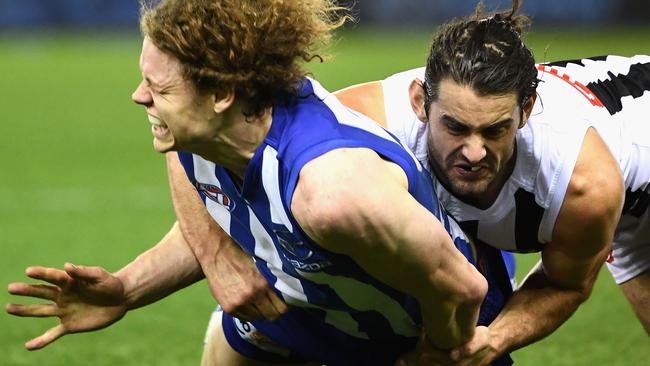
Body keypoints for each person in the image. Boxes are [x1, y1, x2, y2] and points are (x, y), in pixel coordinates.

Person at [6, 1, 516, 365]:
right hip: (309, 305)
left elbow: (462, 284)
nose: (139, 97)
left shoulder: (333, 193)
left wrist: (442, 352)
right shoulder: (204, 130)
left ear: (223, 94)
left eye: (158, 87)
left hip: (418, 327)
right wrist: (126, 291)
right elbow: (228, 209)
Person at [335, 1, 650, 363]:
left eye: (495, 130)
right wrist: (251, 258)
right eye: (455, 127)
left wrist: (491, 341)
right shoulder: (365, 120)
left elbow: (565, 283)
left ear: (526, 110)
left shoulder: (581, 182)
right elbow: (276, 156)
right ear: (420, 102)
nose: (473, 153)